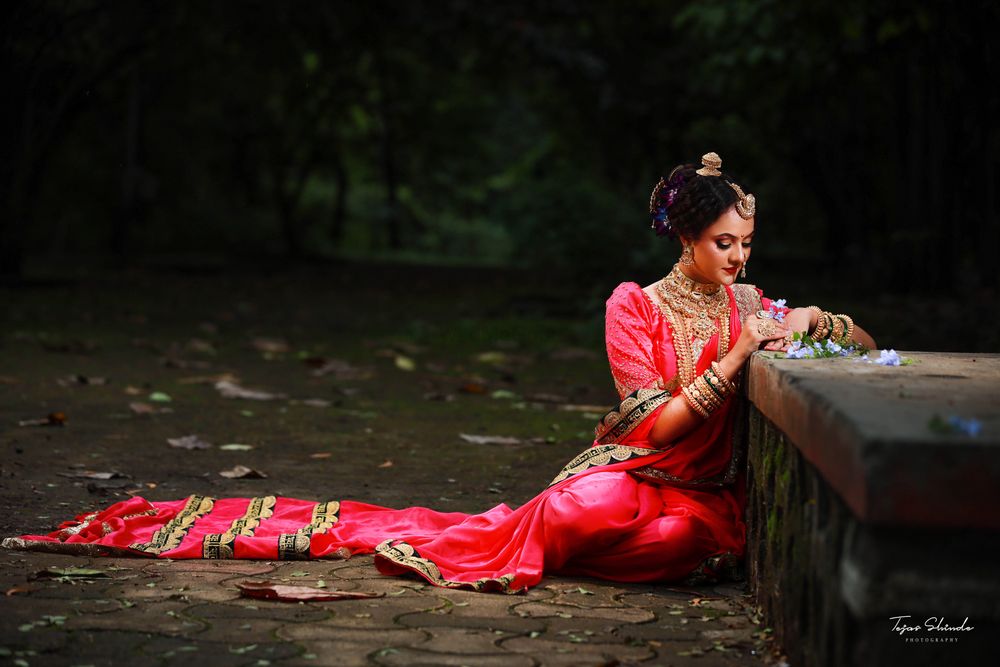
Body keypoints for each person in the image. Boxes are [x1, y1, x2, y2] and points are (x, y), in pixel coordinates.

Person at [2, 152, 876, 593]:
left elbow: (867, 346)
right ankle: (513, 544)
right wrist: (735, 354)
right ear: (685, 238)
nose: (738, 258)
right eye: (724, 243)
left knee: (687, 541)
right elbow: (656, 428)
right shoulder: (632, 306)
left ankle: (595, 552)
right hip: (640, 469)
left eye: (748, 244)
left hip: (702, 499)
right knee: (579, 507)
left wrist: (807, 320)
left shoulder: (749, 303)